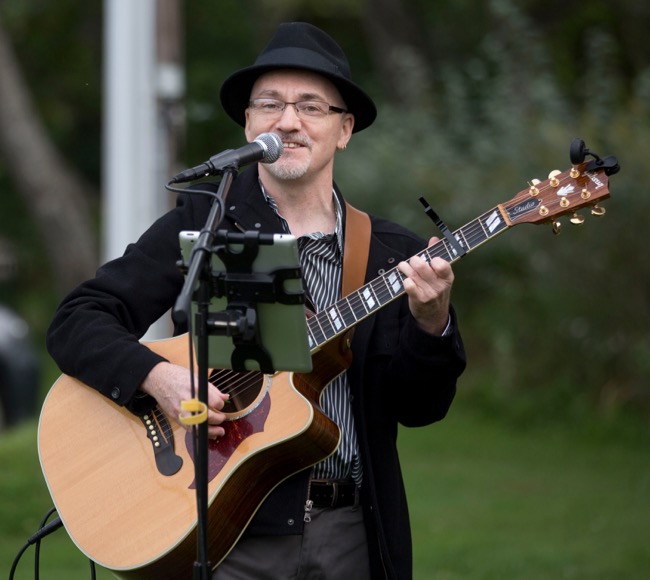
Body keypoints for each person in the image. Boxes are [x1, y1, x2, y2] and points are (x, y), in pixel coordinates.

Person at [46, 22, 466, 579]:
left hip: (348, 534)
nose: (287, 121)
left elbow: (420, 408)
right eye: (270, 104)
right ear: (248, 123)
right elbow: (78, 320)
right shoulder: (207, 224)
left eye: (311, 107)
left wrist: (430, 320)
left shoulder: (391, 254)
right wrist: (158, 377)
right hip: (227, 528)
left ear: (343, 130)